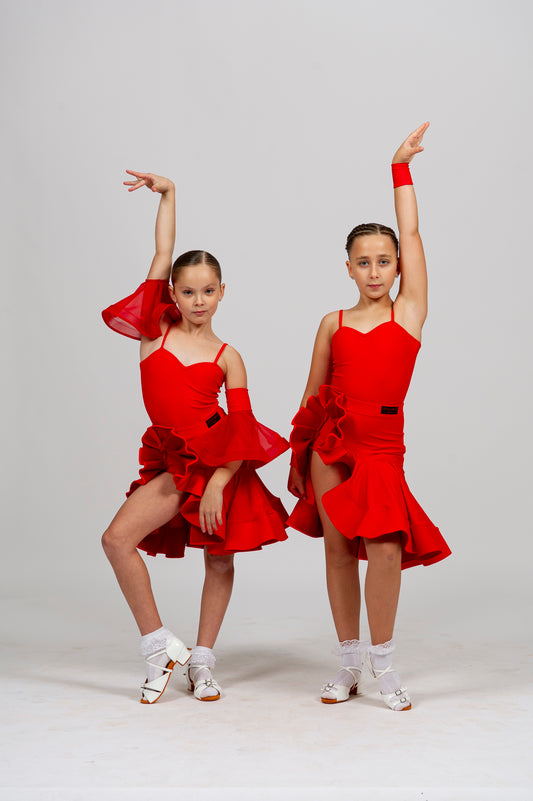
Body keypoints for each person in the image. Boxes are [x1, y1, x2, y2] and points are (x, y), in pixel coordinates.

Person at [102, 171, 289, 704]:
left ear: (222, 292)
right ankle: (159, 649)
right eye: (188, 291)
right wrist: (169, 195)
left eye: (208, 291)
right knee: (117, 541)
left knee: (220, 559)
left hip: (218, 461)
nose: (198, 300)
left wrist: (219, 482)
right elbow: (162, 255)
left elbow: (242, 425)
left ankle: (202, 662)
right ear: (174, 295)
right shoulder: (153, 332)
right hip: (174, 461)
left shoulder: (228, 355)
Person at [287, 123, 451, 711]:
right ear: (349, 268)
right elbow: (312, 395)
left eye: (385, 261)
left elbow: (411, 229)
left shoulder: (409, 312)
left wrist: (399, 168)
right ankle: (349, 663)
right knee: (336, 550)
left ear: (399, 267)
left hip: (382, 443)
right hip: (331, 444)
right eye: (364, 262)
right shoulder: (332, 322)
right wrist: (300, 459)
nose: (376, 271)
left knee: (383, 549)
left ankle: (384, 663)